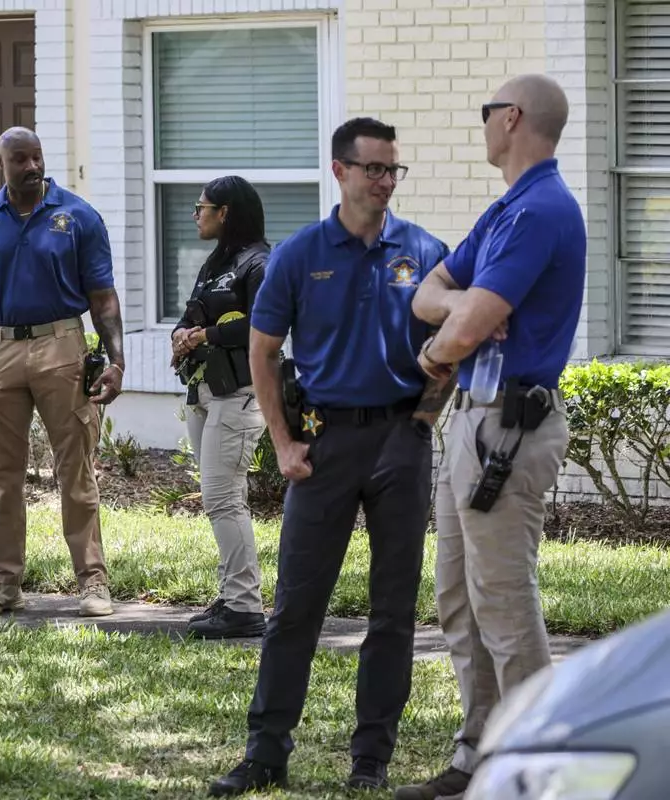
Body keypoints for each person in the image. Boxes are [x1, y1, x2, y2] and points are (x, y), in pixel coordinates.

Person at [207, 118, 452, 796]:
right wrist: (283, 442)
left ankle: (371, 759)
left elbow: (456, 338)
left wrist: (424, 421)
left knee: (393, 609)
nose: (385, 181)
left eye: (392, 169)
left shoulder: (424, 251)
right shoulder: (299, 255)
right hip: (324, 443)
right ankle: (265, 754)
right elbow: (262, 351)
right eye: (373, 168)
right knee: (296, 605)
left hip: (401, 442)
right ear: (340, 171)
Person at [395, 75, 585, 800]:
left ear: (511, 118)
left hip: (507, 426)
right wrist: (461, 308)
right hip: (473, 420)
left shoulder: (540, 210)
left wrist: (441, 343)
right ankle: (480, 754)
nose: (480, 124)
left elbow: (460, 330)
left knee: (502, 601)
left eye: (484, 113)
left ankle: (539, 770)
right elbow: (428, 293)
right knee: (460, 598)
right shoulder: (507, 208)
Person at [0, 126, 126, 617]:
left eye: (37, 157)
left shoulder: (78, 216)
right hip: (0, 349)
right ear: (0, 163)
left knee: (75, 470)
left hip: (62, 345)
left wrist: (115, 360)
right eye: (20, 159)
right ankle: (4, 583)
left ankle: (93, 583)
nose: (32, 167)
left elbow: (103, 298)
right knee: (2, 475)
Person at [170, 175, 271, 639]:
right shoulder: (217, 261)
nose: (196, 215)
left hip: (241, 393)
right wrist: (181, 332)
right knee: (223, 498)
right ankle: (233, 595)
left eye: (202, 207)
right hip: (206, 391)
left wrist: (205, 335)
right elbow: (193, 311)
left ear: (225, 212)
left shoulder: (260, 263)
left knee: (223, 497)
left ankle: (245, 607)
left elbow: (265, 325)